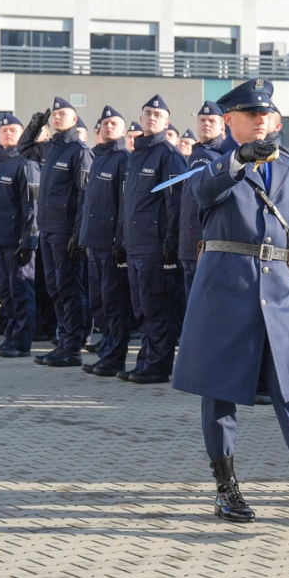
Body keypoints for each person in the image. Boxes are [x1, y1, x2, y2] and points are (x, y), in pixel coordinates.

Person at [173, 77, 289, 522]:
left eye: (265, 114)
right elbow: (202, 194)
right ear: (229, 120)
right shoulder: (208, 162)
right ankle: (226, 488)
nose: (260, 122)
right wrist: (236, 160)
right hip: (226, 287)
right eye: (250, 115)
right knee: (219, 395)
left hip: (279, 289)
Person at [22, 97, 93, 367]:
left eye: (64, 114)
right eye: (55, 115)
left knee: (69, 288)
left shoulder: (79, 151)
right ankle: (63, 342)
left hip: (66, 233)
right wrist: (33, 126)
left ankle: (73, 346)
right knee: (54, 288)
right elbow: (25, 149)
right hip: (48, 230)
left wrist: (78, 234)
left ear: (74, 119)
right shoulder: (51, 148)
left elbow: (84, 196)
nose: (58, 117)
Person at [121, 95, 187, 383]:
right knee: (140, 308)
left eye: (157, 115)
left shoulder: (168, 154)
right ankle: (145, 360)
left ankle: (158, 365)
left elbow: (175, 204)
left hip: (155, 247)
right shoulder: (137, 154)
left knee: (155, 306)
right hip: (135, 245)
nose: (150, 118)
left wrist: (171, 243)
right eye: (147, 113)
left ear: (166, 122)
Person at [80, 106, 133, 378]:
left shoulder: (123, 159)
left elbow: (125, 204)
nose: (109, 127)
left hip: (112, 246)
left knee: (114, 304)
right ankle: (107, 351)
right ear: (97, 130)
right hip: (94, 243)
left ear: (123, 131)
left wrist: (120, 241)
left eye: (115, 123)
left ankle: (114, 358)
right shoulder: (97, 159)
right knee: (98, 303)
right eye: (104, 123)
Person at [0, 114, 39, 358]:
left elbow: (33, 207)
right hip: (0, 240)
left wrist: (28, 241)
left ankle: (21, 342)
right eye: (3, 130)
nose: (7, 133)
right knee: (6, 293)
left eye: (13, 130)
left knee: (20, 292)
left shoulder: (25, 163)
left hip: (18, 243)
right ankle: (10, 337)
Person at [180, 101, 226, 296]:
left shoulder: (221, 156)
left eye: (212, 120)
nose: (206, 124)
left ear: (223, 127)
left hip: (207, 243)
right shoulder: (196, 154)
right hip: (188, 244)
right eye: (202, 120)